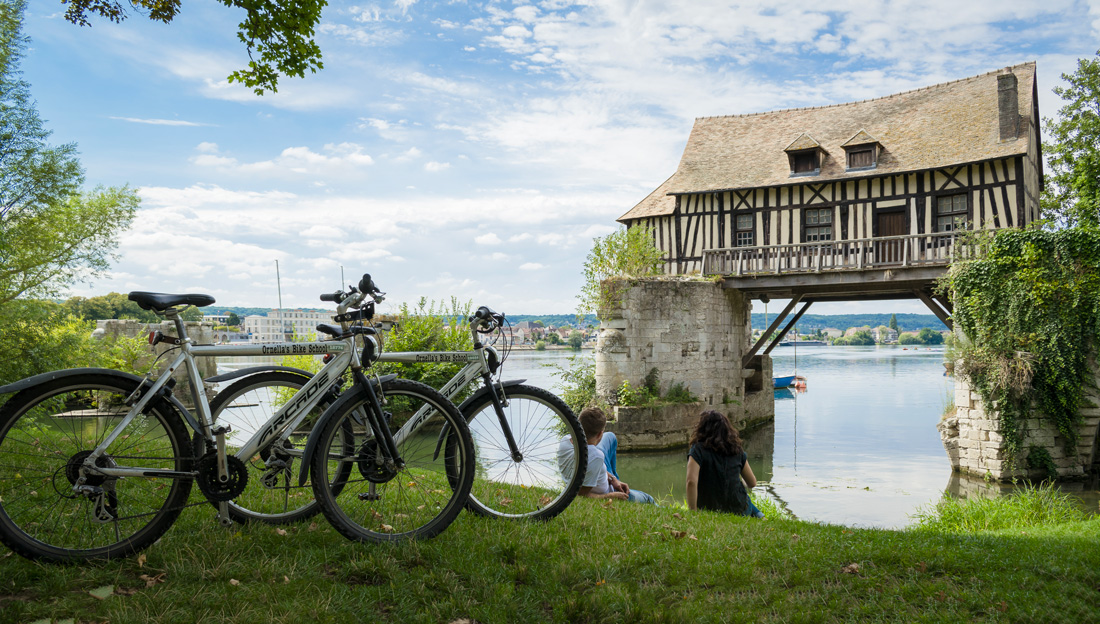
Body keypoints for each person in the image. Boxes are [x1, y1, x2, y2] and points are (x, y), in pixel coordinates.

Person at [566, 406, 655, 504]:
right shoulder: (596, 456)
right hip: (609, 491)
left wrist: (613, 479)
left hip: (605, 477)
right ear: (600, 434)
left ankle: (617, 479)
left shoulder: (565, 442)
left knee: (610, 436)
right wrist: (610, 496)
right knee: (648, 499)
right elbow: (581, 495)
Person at [685, 410, 764, 518]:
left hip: (710, 508)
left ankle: (760, 516)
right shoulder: (736, 449)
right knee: (745, 499)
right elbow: (752, 483)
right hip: (740, 510)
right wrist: (740, 482)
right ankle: (760, 516)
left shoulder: (698, 449)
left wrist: (692, 511)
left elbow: (691, 481)